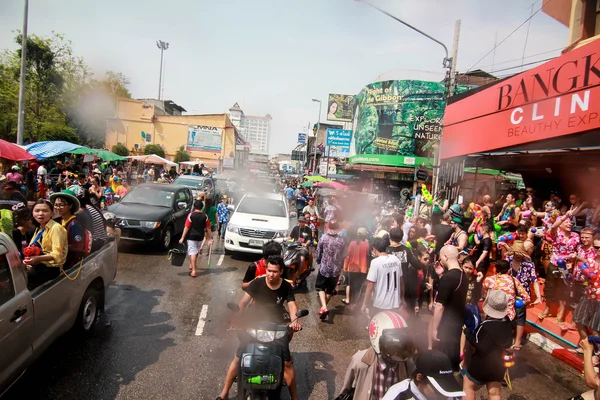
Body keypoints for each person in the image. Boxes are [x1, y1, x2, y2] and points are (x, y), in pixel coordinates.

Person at [216, 255, 301, 400]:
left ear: (281, 272)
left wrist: (295, 320)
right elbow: (243, 302)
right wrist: (237, 316)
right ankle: (224, 393)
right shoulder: (257, 283)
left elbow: (292, 305)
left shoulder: (286, 286)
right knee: (238, 358)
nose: (271, 274)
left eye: (274, 271)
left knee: (286, 363)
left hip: (276, 327)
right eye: (269, 270)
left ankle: (295, 397)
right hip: (254, 324)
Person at [337, 311, 415, 400]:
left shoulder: (406, 363)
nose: (398, 353)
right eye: (393, 347)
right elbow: (345, 390)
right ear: (378, 341)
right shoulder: (360, 362)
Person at [462, 290, 513, 400]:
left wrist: (467, 332)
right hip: (498, 365)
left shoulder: (485, 326)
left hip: (481, 364)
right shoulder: (508, 323)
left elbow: (477, 343)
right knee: (495, 393)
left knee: (468, 386)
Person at [429, 245, 468, 371]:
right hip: (457, 323)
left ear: (445, 257)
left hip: (446, 324)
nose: (440, 261)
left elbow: (440, 305)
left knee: (443, 359)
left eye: (441, 258)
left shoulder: (449, 278)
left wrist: (434, 328)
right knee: (451, 356)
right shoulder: (463, 275)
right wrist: (441, 276)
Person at [540, 210, 580, 324]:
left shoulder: (576, 236)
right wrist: (565, 216)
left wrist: (574, 256)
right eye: (566, 222)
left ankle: (561, 312)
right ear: (560, 224)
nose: (569, 224)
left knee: (564, 289)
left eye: (570, 223)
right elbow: (553, 227)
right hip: (554, 263)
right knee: (549, 287)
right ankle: (547, 308)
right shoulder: (556, 233)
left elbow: (577, 250)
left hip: (566, 267)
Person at [482, 260, 530, 350]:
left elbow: (485, 295)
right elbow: (527, 299)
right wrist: (518, 303)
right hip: (509, 315)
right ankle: (517, 343)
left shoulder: (489, 280)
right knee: (521, 311)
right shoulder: (514, 281)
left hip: (492, 311)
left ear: (495, 269)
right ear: (509, 270)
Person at [382, 349, 466, 400]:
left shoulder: (451, 397)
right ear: (420, 378)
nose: (445, 397)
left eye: (447, 390)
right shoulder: (398, 396)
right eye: (438, 391)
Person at [24, 199, 68, 289]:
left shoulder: (56, 228)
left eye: (45, 211)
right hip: (39, 265)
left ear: (52, 213)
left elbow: (57, 256)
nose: (40, 214)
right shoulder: (39, 228)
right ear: (32, 213)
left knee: (19, 279)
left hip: (51, 268)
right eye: (37, 211)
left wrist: (37, 259)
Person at [506, 240, 542, 349]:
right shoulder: (508, 260)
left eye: (519, 253)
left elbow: (534, 281)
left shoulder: (529, 264)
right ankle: (507, 337)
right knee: (506, 316)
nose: (517, 255)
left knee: (520, 318)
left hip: (522, 295)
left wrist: (539, 296)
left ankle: (517, 342)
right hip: (508, 293)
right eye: (515, 253)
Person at [362, 237, 405, 317]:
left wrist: (365, 304)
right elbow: (401, 281)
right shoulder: (396, 259)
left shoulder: (375, 262)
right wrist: (402, 298)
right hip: (395, 303)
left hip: (380, 304)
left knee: (374, 325)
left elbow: (370, 285)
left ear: (374, 249)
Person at [572, 235, 600, 349]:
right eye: (596, 247)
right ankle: (586, 348)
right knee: (578, 320)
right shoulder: (590, 261)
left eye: (599, 247)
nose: (598, 250)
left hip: (599, 300)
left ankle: (597, 355)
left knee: (595, 328)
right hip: (588, 295)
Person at [316, 221, 347, 320]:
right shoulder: (342, 240)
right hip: (336, 269)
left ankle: (324, 307)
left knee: (320, 288)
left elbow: (318, 252)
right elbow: (344, 255)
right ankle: (323, 308)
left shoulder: (324, 238)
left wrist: (318, 260)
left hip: (324, 268)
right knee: (329, 291)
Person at [50, 189, 87, 269]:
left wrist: (59, 247)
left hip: (70, 263)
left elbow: (78, 247)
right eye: (56, 205)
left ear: (70, 206)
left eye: (61, 205)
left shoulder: (74, 225)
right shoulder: (61, 221)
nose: (57, 208)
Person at [179, 200, 211, 277]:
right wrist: (211, 237)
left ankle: (193, 271)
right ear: (202, 207)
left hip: (191, 236)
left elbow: (187, 227)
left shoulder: (191, 215)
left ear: (194, 206)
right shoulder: (205, 216)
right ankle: (192, 265)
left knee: (192, 252)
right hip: (200, 237)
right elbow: (208, 227)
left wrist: (182, 238)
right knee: (195, 252)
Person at [342, 227, 370, 309]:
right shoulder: (367, 245)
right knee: (358, 286)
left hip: (352, 267)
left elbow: (348, 256)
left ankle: (348, 299)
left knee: (349, 284)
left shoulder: (352, 243)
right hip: (363, 268)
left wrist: (345, 267)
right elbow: (368, 256)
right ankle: (356, 302)